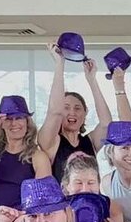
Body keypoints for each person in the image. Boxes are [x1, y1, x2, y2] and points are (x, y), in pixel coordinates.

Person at [0, 95, 52, 222]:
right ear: (1, 122)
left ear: (27, 122)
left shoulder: (37, 156)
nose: (14, 123)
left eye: (19, 118)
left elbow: (42, 199)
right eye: (8, 119)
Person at [38, 43, 113, 180]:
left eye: (77, 108)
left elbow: (107, 124)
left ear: (85, 114)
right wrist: (59, 64)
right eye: (66, 107)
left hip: (91, 194)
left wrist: (92, 80)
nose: (72, 112)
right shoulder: (51, 142)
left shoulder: (90, 141)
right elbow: (55, 112)